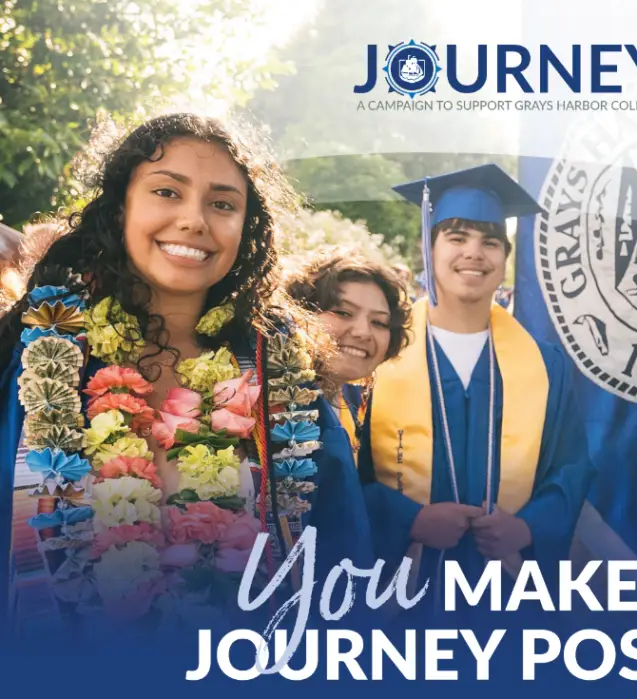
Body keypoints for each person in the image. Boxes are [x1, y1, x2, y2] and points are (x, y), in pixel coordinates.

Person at [0, 113, 373, 638]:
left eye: (222, 204)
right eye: (167, 192)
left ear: (245, 229)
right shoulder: (44, 361)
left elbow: (339, 558)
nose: (195, 220)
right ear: (120, 206)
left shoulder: (280, 378)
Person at [359, 164, 595, 610]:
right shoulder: (381, 354)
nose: (474, 253)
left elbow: (571, 467)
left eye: (490, 241)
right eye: (457, 237)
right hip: (401, 593)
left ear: (505, 258)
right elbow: (346, 472)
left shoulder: (545, 364)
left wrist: (527, 527)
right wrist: (408, 520)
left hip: (506, 591)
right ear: (427, 247)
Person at [285, 247, 412, 452]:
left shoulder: (352, 406)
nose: (364, 332)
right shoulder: (267, 406)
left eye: (379, 322)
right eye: (343, 313)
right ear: (299, 311)